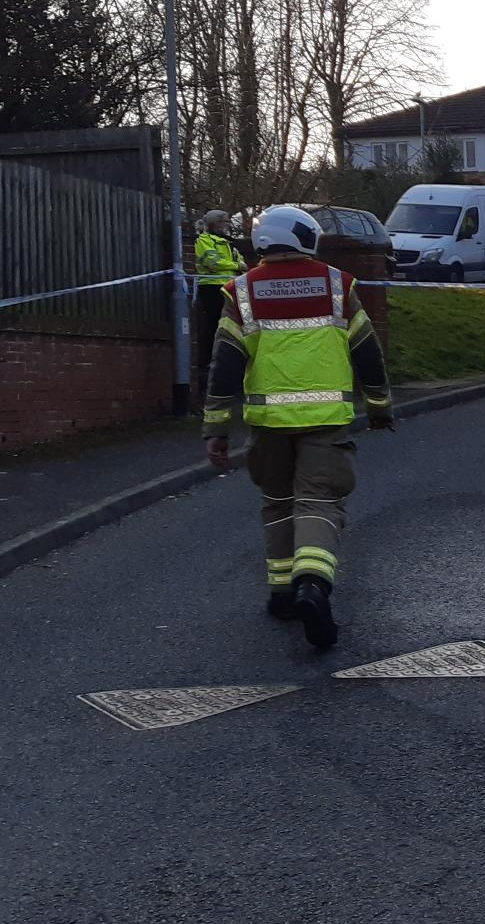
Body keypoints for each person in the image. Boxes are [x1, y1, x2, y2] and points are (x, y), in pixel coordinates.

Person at [202, 205, 393, 650]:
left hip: (268, 424)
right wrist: (380, 406)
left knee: (277, 503)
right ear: (306, 238)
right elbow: (368, 351)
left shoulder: (241, 291)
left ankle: (282, 593)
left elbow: (224, 365)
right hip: (325, 422)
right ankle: (313, 585)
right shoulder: (337, 285)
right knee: (319, 503)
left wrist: (216, 429)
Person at [190, 210, 246, 400]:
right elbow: (212, 262)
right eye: (224, 222)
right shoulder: (205, 240)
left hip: (230, 286)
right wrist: (236, 266)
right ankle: (210, 359)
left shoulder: (228, 242)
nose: (227, 225)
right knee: (216, 323)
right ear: (215, 223)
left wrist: (239, 266)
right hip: (212, 286)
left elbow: (240, 260)